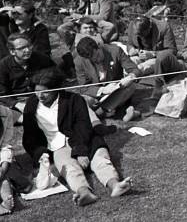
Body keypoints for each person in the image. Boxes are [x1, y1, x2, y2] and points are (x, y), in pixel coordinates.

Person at [22, 68, 132, 206]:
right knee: (69, 168)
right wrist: (40, 154)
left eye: (45, 92)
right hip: (57, 146)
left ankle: (115, 185)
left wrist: (80, 150)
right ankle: (84, 192)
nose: (40, 95)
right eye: (37, 91)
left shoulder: (74, 100)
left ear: (56, 89)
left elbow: (83, 126)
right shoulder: (31, 105)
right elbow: (29, 136)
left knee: (100, 160)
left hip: (85, 139)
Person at [73, 38, 142, 121]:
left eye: (97, 55)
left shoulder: (115, 51)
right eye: (91, 59)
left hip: (116, 91)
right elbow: (83, 87)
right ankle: (111, 110)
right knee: (82, 100)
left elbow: (135, 70)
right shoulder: (79, 61)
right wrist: (103, 90)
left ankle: (99, 113)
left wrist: (130, 77)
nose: (96, 60)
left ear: (98, 47)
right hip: (95, 94)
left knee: (131, 86)